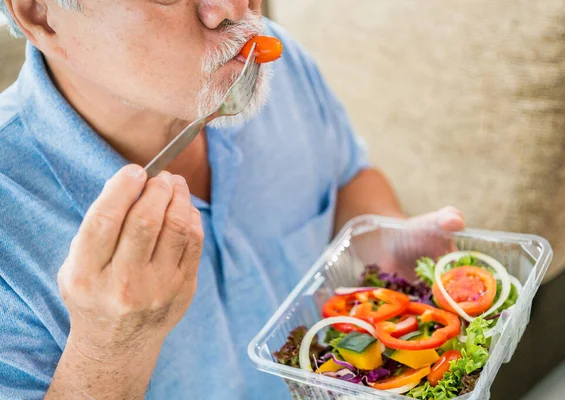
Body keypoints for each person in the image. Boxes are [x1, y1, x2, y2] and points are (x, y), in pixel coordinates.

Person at [0, 1, 465, 399]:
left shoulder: (272, 64)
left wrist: (388, 245)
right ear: (42, 14)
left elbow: (348, 177)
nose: (236, 8)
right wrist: (108, 351)